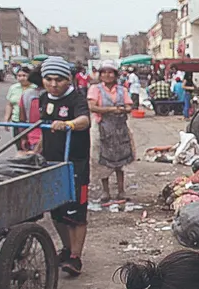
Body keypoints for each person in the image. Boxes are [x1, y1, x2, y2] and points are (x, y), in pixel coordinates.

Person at [37, 56, 92, 277]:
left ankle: (76, 258)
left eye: (58, 79)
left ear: (68, 79)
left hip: (75, 164)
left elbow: (84, 121)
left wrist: (68, 124)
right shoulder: (43, 98)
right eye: (48, 79)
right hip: (51, 163)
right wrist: (36, 149)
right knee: (57, 213)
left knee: (76, 214)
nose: (53, 84)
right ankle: (67, 248)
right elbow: (45, 129)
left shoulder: (76, 98)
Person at [87, 60, 135, 202]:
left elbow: (129, 106)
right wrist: (112, 109)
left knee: (120, 161)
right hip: (102, 128)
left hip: (120, 128)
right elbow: (92, 107)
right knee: (103, 161)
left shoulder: (122, 90)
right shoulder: (95, 89)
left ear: (115, 75)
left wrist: (123, 109)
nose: (107, 75)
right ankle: (105, 191)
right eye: (104, 72)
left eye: (110, 72)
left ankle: (121, 191)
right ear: (100, 75)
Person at [17, 68, 44, 151]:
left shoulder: (26, 94)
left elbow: (22, 119)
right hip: (48, 139)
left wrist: (23, 138)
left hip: (31, 137)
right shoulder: (53, 95)